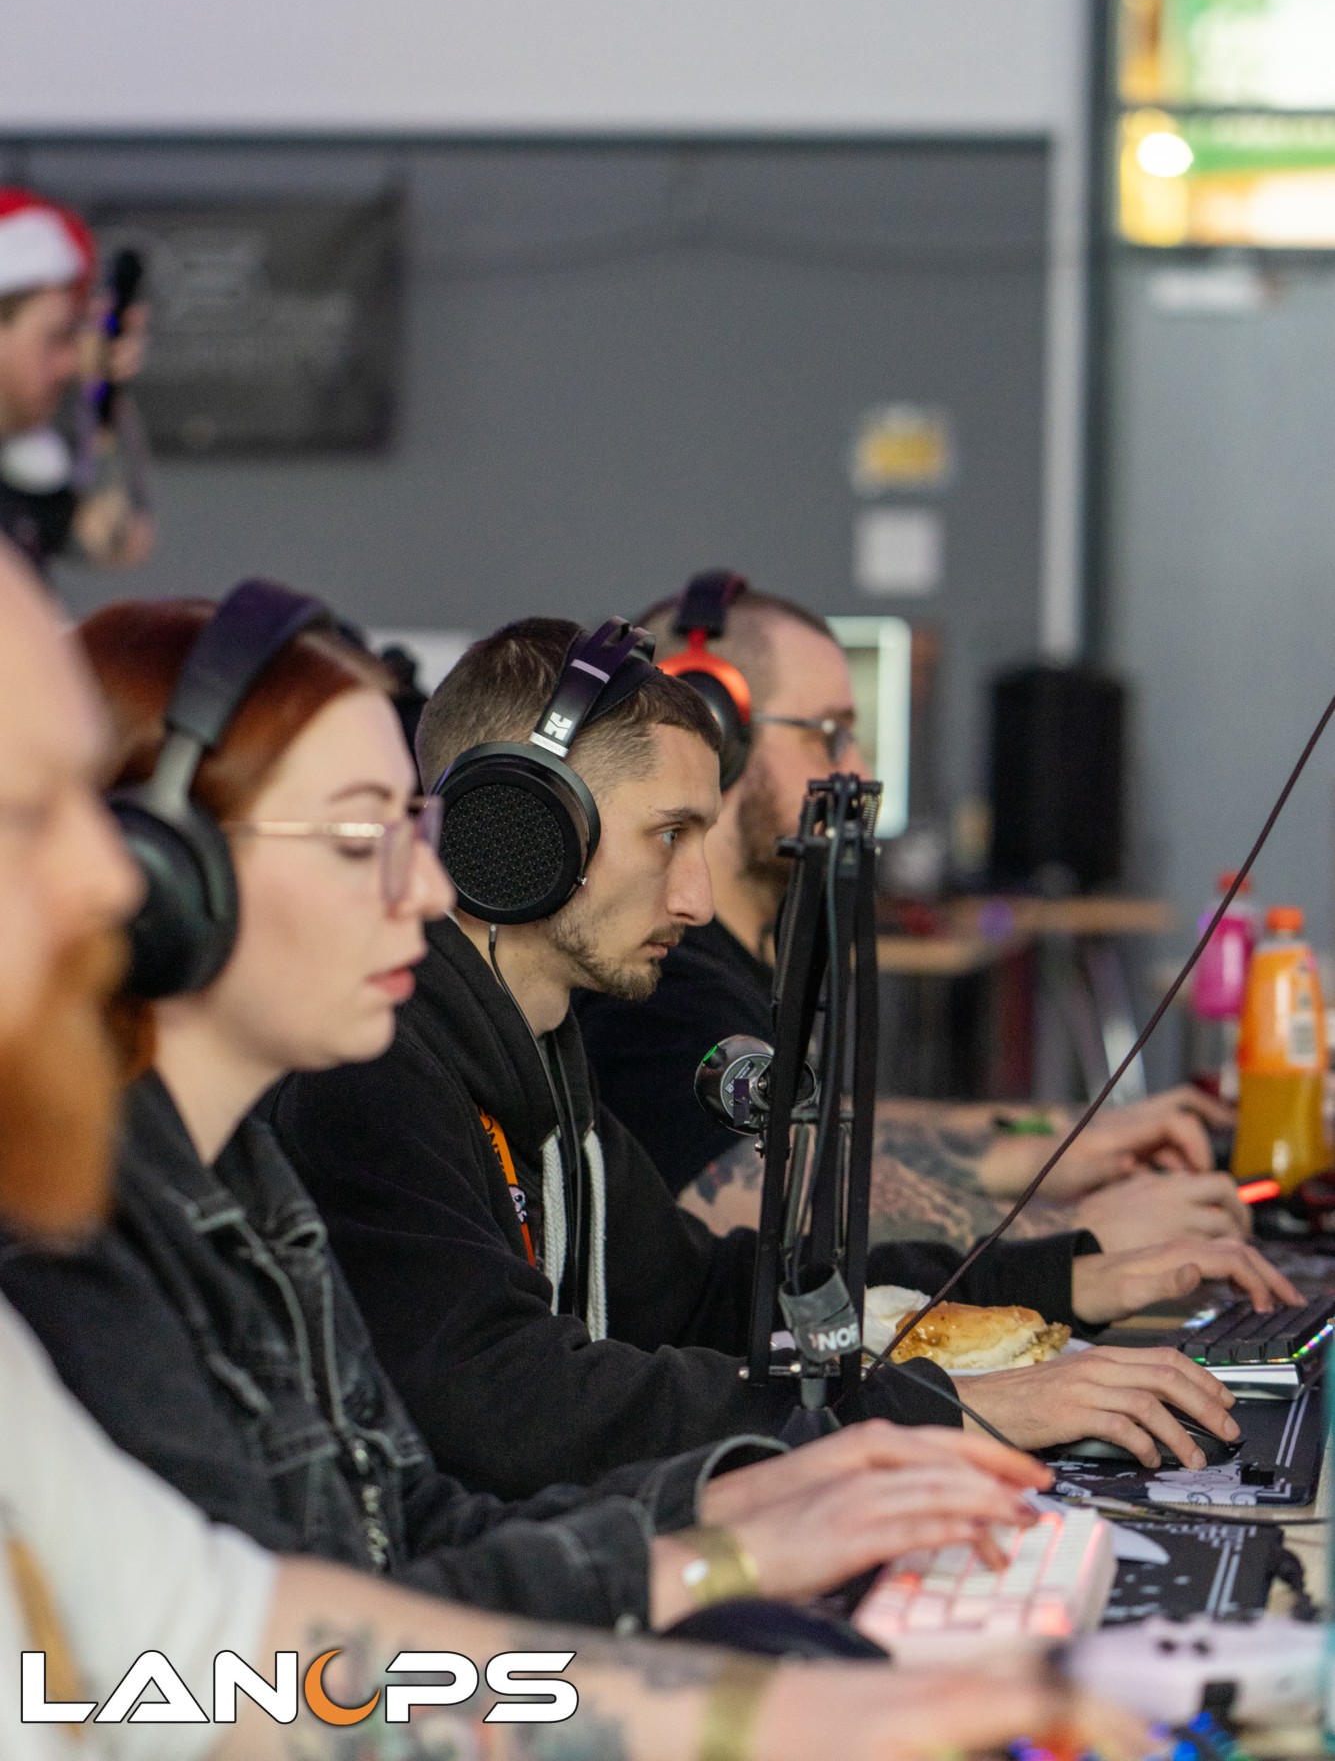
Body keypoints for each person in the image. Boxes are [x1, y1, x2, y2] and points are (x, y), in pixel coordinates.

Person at [0, 537, 1122, 1761]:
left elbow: (351, 1570)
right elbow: (252, 1678)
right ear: (178, 879)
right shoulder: (90, 1239)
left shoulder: (250, 1188)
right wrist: (734, 1573)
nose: (424, 890)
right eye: (363, 835)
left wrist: (737, 1524)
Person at [272, 614, 1294, 1504]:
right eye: (667, 835)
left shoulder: (538, 1058)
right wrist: (935, 1412)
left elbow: (706, 1295)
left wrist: (1058, 1279)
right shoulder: (374, 1071)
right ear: (518, 834)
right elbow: (513, 1401)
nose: (695, 900)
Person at [581, 579, 1251, 1254]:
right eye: (830, 735)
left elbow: (815, 1123)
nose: (858, 767)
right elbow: (764, 1194)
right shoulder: (656, 981)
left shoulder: (724, 959)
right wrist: (1082, 1233)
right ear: (710, 730)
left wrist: (1045, 1138)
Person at [0, 189, 154, 575]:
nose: (71, 363)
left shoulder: (21, 469)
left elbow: (118, 537)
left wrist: (104, 393)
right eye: (56, 338)